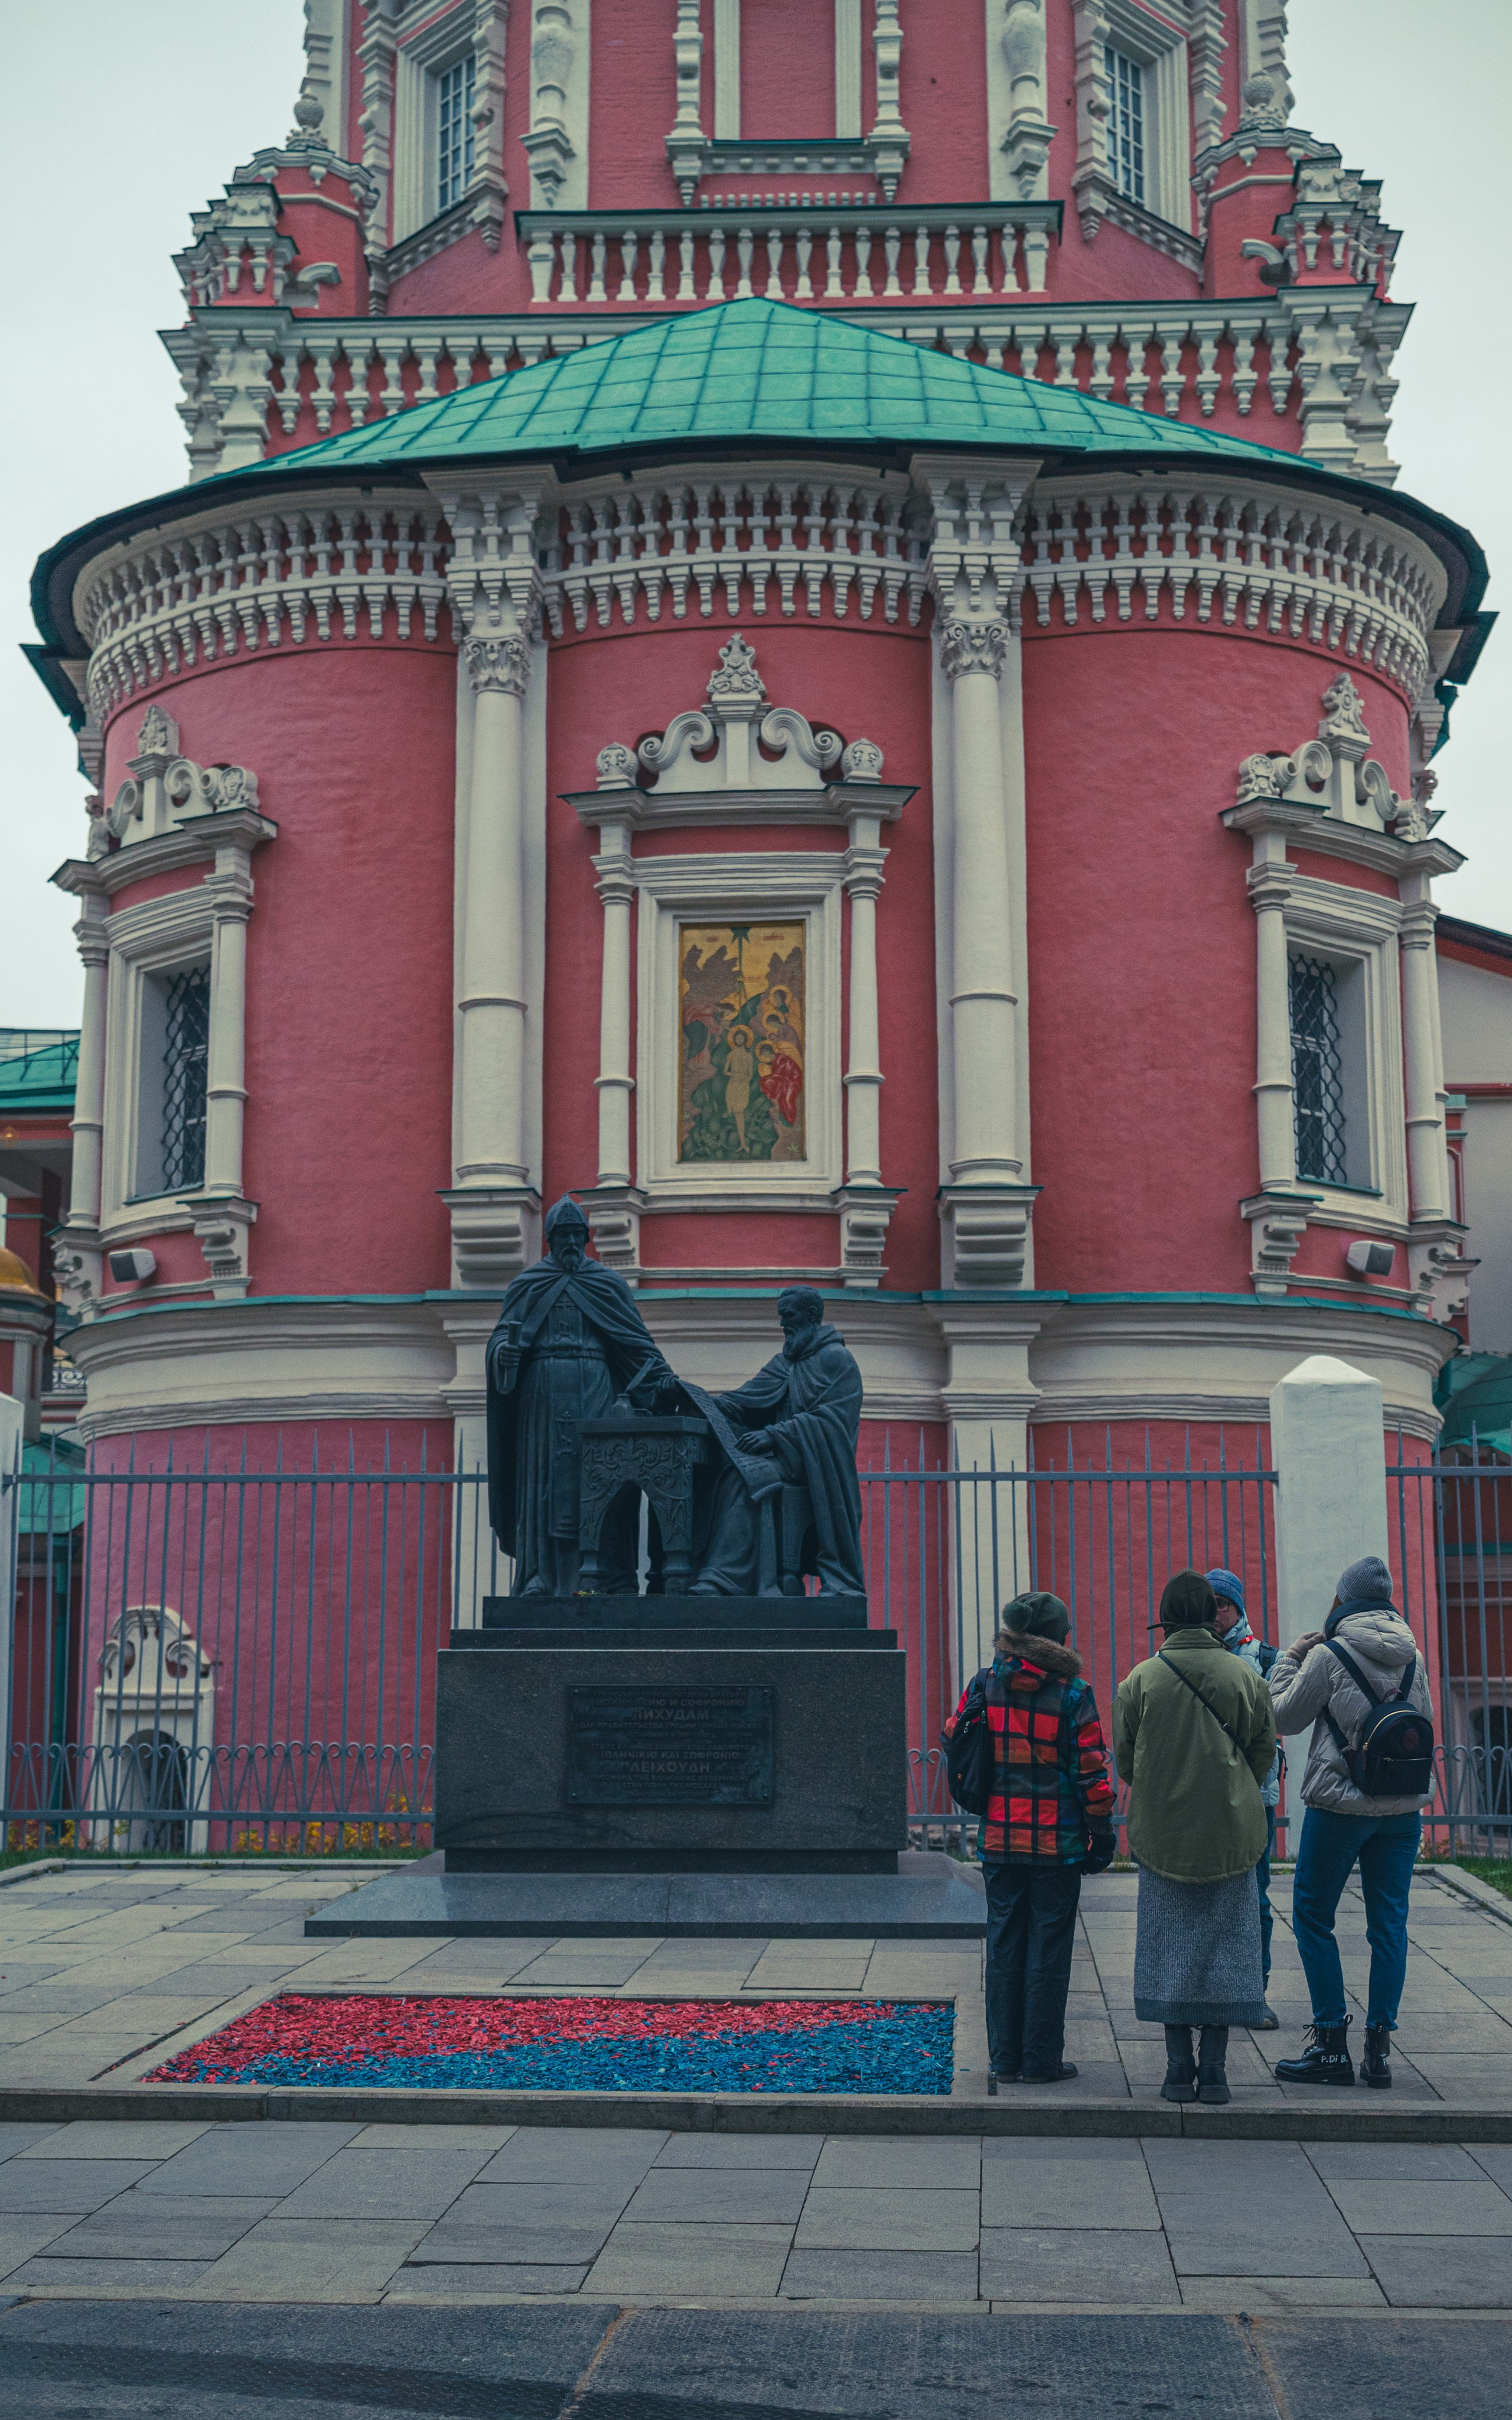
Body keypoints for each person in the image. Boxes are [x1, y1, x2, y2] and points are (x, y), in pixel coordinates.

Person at [1267, 1554, 1436, 2090]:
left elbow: (1283, 1716)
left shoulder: (1329, 1653)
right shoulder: (1414, 1656)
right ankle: (1379, 2052)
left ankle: (1330, 2046)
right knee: (1390, 1924)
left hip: (1340, 1807)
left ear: (1344, 1601)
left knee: (1314, 1916)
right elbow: (1423, 1724)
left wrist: (1291, 1659)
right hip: (1402, 1808)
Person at [1115, 1569, 1277, 2105]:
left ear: (1163, 1619)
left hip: (1162, 1836)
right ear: (1213, 1616)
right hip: (1232, 1833)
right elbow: (1261, 1754)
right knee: (1227, 1950)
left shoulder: (1140, 1680)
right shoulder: (1243, 1676)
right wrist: (1229, 1790)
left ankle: (1176, 2070)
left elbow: (1127, 1761)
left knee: (1168, 1950)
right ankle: (1215, 2073)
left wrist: (1164, 1791)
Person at [943, 1591, 1116, 2085]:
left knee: (1003, 1946)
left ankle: (1004, 2058)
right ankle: (1041, 2060)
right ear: (1058, 1638)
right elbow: (1092, 1775)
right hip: (1056, 1847)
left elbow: (954, 1735)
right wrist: (1101, 1836)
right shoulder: (1073, 1693)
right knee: (1049, 1949)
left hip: (999, 1840)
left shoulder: (984, 1684)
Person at [484, 1195, 677, 1595]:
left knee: (598, 1480)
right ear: (551, 1240)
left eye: (577, 1236)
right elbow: (504, 1335)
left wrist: (667, 1383)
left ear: (586, 1239)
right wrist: (503, 1350)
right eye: (563, 1237)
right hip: (543, 1395)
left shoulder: (606, 1284)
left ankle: (602, 1576)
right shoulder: (528, 1284)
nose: (571, 1244)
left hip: (596, 1390)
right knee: (543, 1480)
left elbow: (635, 1344)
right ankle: (539, 1577)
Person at [687, 1287, 865, 1598]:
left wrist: (774, 1435)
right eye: (780, 1316)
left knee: (751, 1478)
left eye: (789, 1315)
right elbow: (743, 1403)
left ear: (811, 1315)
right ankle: (719, 1572)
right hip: (784, 1458)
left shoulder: (838, 1361)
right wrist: (692, 1396)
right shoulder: (784, 1363)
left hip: (814, 1464)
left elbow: (833, 1423)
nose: (783, 1323)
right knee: (724, 1473)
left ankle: (724, 1578)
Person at [1207, 1567, 1283, 2029]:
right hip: (1205, 1796)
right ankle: (1213, 1990)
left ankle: (1255, 1992)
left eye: (1224, 1604)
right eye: (1210, 1604)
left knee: (1255, 1899)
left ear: (1238, 1608)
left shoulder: (1265, 1658)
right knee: (1206, 1898)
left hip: (1255, 1796)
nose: (1216, 1613)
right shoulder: (1181, 1655)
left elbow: (1272, 1729)